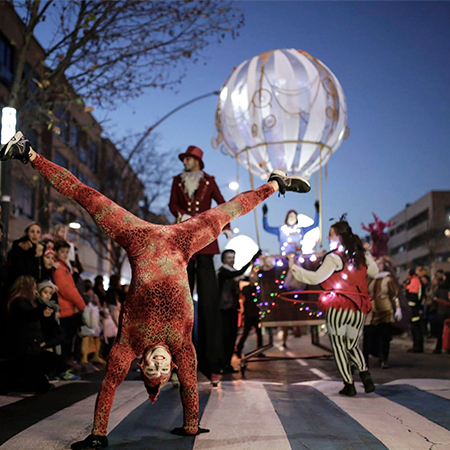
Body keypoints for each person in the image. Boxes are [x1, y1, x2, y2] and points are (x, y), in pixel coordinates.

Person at [1, 131, 310, 449]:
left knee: (86, 196)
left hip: (139, 238)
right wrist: (191, 425)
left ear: (141, 362)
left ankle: (28, 154)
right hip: (182, 240)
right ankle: (274, 184)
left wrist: (98, 435)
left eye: (151, 367)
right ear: (172, 365)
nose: (157, 364)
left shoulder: (128, 345)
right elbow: (190, 388)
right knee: (229, 211)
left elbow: (109, 386)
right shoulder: (182, 349)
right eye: (162, 369)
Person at [288, 219, 379, 396]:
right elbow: (374, 272)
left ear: (339, 237)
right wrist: (368, 254)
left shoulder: (334, 257)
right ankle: (365, 374)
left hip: (338, 306)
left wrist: (293, 267)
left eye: (330, 234)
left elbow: (315, 279)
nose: (329, 238)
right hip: (358, 307)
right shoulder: (361, 256)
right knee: (352, 345)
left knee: (338, 346)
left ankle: (349, 384)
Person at [169, 145, 232, 383]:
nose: (185, 161)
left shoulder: (209, 181)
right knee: (180, 304)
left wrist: (226, 226)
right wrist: (181, 216)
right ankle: (177, 364)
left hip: (205, 244)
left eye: (188, 159)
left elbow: (222, 204)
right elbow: (172, 203)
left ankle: (212, 363)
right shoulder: (177, 180)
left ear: (197, 161)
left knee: (209, 304)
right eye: (184, 158)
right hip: (184, 242)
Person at [218, 249, 260, 373]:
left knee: (232, 337)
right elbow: (239, 273)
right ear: (224, 260)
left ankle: (227, 364)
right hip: (224, 309)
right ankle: (222, 364)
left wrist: (255, 266)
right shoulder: (223, 272)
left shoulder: (233, 273)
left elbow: (249, 279)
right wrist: (252, 259)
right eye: (229, 258)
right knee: (226, 337)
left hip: (233, 308)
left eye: (233, 257)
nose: (232, 260)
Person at [364, 257, 402, 368]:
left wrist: (398, 309)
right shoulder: (369, 278)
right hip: (371, 311)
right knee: (368, 335)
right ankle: (364, 360)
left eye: (381, 263)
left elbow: (394, 295)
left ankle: (384, 359)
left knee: (384, 337)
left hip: (385, 310)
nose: (379, 265)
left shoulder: (388, 279)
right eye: (377, 263)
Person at [53, 239, 86, 363]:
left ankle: (65, 365)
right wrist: (81, 304)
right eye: (62, 252)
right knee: (65, 340)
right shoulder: (60, 268)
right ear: (56, 252)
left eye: (67, 252)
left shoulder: (63, 266)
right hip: (64, 309)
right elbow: (67, 289)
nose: (65, 254)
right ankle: (63, 366)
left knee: (66, 340)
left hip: (67, 308)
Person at [236, 283, 263, 358]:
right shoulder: (256, 290)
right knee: (257, 332)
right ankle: (259, 350)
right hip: (253, 313)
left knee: (246, 333)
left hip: (249, 313)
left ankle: (239, 349)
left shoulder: (246, 290)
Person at [404, 268, 423, 353]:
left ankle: (417, 347)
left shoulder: (414, 281)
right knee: (415, 328)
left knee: (416, 328)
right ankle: (417, 346)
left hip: (414, 309)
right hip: (414, 308)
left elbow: (413, 297)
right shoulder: (414, 281)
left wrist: (408, 306)